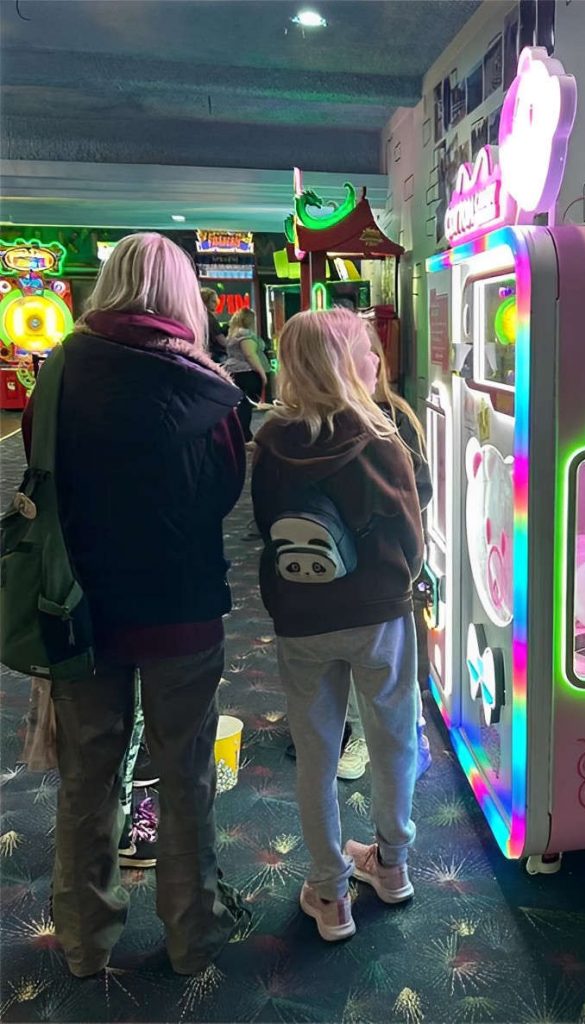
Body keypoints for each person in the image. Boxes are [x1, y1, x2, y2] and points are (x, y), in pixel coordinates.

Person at [23, 232, 248, 978]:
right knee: (185, 774)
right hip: (182, 606)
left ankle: (86, 943)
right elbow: (222, 493)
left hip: (78, 608)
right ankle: (193, 936)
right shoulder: (208, 386)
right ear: (181, 295)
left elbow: (41, 468)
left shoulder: (57, 373)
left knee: (87, 776)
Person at [251, 308, 423, 942]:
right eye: (368, 351)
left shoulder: (270, 443)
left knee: (316, 751)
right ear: (348, 363)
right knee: (392, 737)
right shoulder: (380, 434)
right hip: (378, 612)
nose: (377, 360)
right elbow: (410, 526)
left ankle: (329, 890)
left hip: (301, 618)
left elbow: (264, 528)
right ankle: (393, 863)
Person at [336, 329, 434, 783]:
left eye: (373, 356)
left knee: (398, 660)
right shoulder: (328, 419)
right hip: (344, 568)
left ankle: (411, 729)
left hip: (392, 564)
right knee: (352, 656)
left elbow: (423, 488)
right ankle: (358, 730)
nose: (371, 365)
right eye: (360, 357)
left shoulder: (396, 416)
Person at [224, 307, 268, 443]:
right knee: (245, 406)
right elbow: (250, 354)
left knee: (241, 405)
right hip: (247, 372)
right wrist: (262, 373)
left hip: (235, 371)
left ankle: (241, 434)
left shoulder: (234, 333)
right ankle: (244, 436)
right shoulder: (245, 334)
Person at [200, 287, 227, 363]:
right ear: (205, 301)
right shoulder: (210, 318)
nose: (217, 304)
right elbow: (222, 341)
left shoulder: (198, 316)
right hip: (214, 355)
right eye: (213, 301)